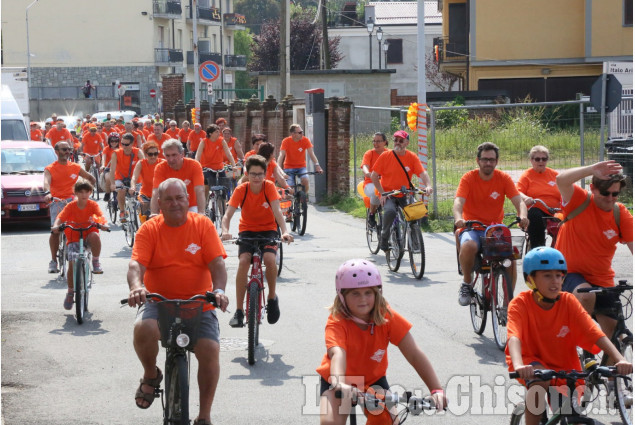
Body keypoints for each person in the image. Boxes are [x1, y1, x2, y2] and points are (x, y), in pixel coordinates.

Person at [125, 178, 230, 425]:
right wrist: (137, 287)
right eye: (168, 199)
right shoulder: (149, 229)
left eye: (179, 198)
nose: (175, 204)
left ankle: (204, 415)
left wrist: (220, 290)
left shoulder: (202, 225)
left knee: (210, 349)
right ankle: (151, 375)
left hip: (199, 303)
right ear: (159, 203)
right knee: (144, 328)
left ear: (188, 199)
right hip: (158, 301)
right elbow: (135, 265)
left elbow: (217, 263)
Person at [506, 247, 632, 425]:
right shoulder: (520, 304)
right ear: (530, 279)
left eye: (559, 276)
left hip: (564, 365)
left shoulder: (568, 301)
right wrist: (519, 365)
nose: (555, 282)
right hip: (529, 361)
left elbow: (593, 332)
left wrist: (619, 359)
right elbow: (514, 336)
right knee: (538, 386)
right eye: (547, 275)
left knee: (572, 416)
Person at [317, 259, 448, 424]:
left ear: (377, 293)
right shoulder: (337, 321)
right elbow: (337, 354)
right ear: (342, 296)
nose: (362, 299)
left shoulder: (385, 316)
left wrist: (436, 390)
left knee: (388, 420)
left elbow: (414, 353)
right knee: (330, 423)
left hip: (373, 381)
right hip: (338, 381)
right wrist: (339, 384)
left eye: (368, 293)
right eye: (355, 293)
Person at [554, 160, 633, 338]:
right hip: (569, 273)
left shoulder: (619, 213)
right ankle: (579, 347)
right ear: (593, 188)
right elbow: (561, 180)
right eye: (605, 193)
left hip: (602, 278)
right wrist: (591, 169)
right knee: (587, 296)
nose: (610, 198)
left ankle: (609, 363)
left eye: (615, 194)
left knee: (616, 337)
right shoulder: (579, 201)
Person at [220, 155, 294, 327]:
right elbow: (227, 215)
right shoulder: (241, 190)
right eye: (253, 174)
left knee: (269, 259)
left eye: (260, 174)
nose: (257, 178)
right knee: (244, 261)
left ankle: (272, 297)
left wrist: (284, 232)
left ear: (265, 174)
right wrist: (224, 230)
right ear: (247, 173)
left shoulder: (269, 187)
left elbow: (278, 213)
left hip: (268, 230)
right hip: (247, 230)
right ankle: (239, 311)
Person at [453, 142, 529, 306]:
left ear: (497, 161)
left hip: (495, 230)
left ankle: (509, 300)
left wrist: (522, 215)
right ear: (478, 160)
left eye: (492, 160)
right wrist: (459, 218)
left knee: (511, 257)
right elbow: (458, 202)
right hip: (472, 227)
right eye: (485, 159)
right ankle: (467, 284)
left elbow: (519, 201)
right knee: (469, 245)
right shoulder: (468, 178)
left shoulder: (503, 178)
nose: (488, 163)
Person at [370, 130, 433, 252]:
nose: (398, 143)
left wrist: (428, 185)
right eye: (396, 140)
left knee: (415, 213)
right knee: (389, 212)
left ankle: (415, 241)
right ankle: (384, 237)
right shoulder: (385, 156)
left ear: (407, 143)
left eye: (401, 141)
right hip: (388, 194)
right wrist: (382, 193)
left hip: (405, 192)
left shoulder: (412, 157)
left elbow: (422, 173)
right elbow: (374, 176)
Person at [51, 179, 108, 308]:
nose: (83, 195)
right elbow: (60, 217)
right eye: (80, 192)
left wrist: (104, 224)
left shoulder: (93, 205)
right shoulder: (70, 206)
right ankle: (71, 292)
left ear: (90, 192)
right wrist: (56, 226)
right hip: (74, 237)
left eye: (86, 192)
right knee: (72, 264)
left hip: (88, 235)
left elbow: (101, 216)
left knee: (95, 236)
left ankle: (95, 261)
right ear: (76, 193)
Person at [44, 141, 96, 273]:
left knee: (80, 227)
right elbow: (46, 182)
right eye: (64, 149)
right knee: (55, 231)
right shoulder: (50, 168)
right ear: (56, 152)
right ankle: (53, 261)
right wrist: (48, 193)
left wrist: (88, 192)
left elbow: (90, 178)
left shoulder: (75, 167)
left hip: (73, 201)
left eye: (68, 149)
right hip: (57, 202)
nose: (67, 152)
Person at [516, 146, 561, 248]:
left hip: (554, 211)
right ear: (531, 160)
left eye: (544, 159)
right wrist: (526, 198)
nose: (541, 161)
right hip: (536, 208)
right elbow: (518, 192)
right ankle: (538, 248)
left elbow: (566, 191)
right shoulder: (527, 175)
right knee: (534, 214)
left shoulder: (554, 175)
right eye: (537, 159)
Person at [151, 139, 206, 215]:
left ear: (182, 154)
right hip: (169, 206)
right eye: (167, 155)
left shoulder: (194, 165)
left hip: (190, 205)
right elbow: (156, 192)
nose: (171, 159)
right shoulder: (160, 168)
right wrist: (154, 213)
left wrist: (201, 212)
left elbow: (199, 189)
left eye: (174, 155)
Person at [277, 124, 323, 195]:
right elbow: (281, 155)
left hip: (301, 167)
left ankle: (304, 196)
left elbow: (311, 154)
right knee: (290, 188)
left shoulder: (305, 140)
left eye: (302, 132)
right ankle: (291, 201)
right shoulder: (286, 141)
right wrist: (278, 169)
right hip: (289, 167)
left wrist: (317, 165)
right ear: (293, 134)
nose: (302, 134)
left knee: (305, 180)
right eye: (300, 132)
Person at [195, 124, 236, 203]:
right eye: (217, 132)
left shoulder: (221, 141)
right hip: (207, 168)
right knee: (206, 185)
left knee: (224, 189)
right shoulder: (204, 142)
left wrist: (234, 165)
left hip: (219, 168)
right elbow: (197, 156)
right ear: (210, 133)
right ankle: (205, 205)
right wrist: (197, 166)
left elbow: (229, 154)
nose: (219, 133)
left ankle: (223, 213)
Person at [109, 133, 144, 222]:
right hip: (120, 178)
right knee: (121, 190)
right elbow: (112, 170)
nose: (124, 146)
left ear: (132, 144)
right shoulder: (116, 153)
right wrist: (112, 183)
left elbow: (145, 165)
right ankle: (122, 211)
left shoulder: (138, 152)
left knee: (141, 197)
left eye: (126, 144)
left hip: (135, 179)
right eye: (122, 144)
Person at [130, 141, 164, 221]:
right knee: (145, 209)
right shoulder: (141, 163)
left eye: (155, 154)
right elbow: (134, 177)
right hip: (145, 194)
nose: (153, 156)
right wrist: (133, 187)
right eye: (150, 154)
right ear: (145, 154)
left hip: (160, 194)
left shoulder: (162, 162)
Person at [361, 132, 389, 228]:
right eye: (374, 141)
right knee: (375, 192)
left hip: (386, 183)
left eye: (378, 141)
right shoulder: (369, 153)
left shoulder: (389, 153)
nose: (375, 144)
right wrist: (367, 173)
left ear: (385, 142)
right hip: (371, 183)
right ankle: (372, 214)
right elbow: (365, 166)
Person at [100, 133, 121, 202]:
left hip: (119, 169)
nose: (114, 143)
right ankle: (107, 193)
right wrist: (103, 165)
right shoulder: (106, 149)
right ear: (109, 141)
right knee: (108, 178)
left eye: (116, 141)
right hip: (108, 168)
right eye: (112, 141)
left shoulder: (121, 149)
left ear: (118, 141)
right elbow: (103, 157)